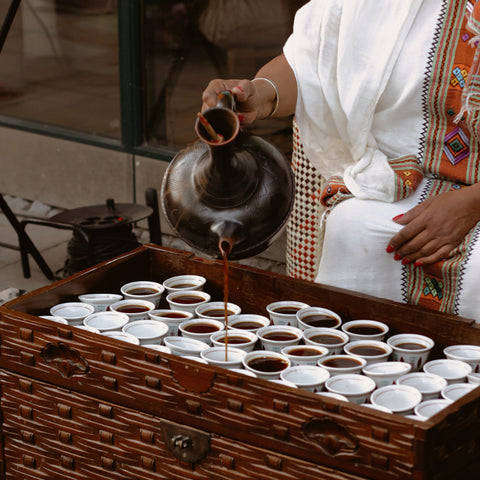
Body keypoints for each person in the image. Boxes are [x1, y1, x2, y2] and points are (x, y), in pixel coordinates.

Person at [201, 0, 480, 321]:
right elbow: (315, 60)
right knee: (351, 227)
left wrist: (470, 204)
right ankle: (350, 364)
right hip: (403, 177)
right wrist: (258, 93)